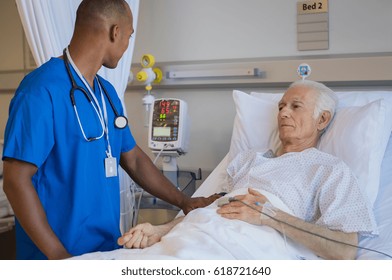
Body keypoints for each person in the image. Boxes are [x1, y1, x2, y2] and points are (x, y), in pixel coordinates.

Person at [2, 0, 217, 260]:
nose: (127, 45)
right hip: (53, 255)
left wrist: (184, 202)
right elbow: (15, 181)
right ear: (115, 32)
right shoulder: (40, 90)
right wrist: (60, 258)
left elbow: (134, 159)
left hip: (104, 250)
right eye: (129, 36)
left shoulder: (107, 93)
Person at [118, 80, 378, 260]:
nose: (283, 113)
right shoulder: (247, 160)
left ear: (322, 119)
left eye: (295, 106)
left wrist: (270, 215)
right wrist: (160, 231)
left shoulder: (329, 169)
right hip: (193, 237)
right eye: (280, 107)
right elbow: (216, 211)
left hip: (243, 251)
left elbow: (344, 250)